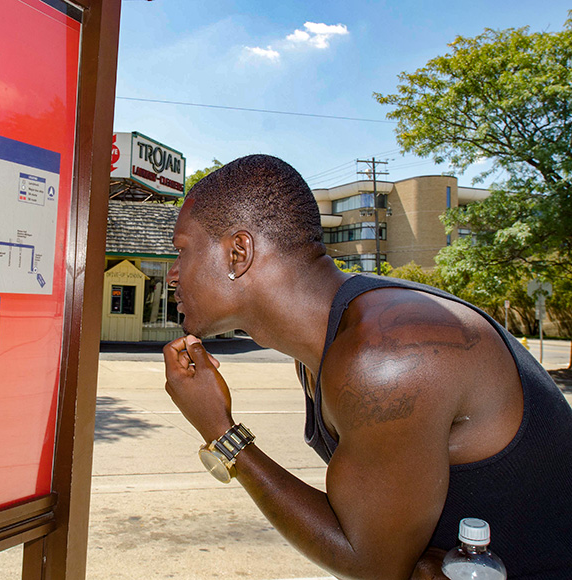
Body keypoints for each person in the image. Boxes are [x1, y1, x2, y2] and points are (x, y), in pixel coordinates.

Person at [162, 154, 572, 579]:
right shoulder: (325, 348)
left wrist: (221, 433)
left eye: (182, 251)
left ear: (238, 253)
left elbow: (373, 565)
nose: (173, 274)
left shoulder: (384, 354)